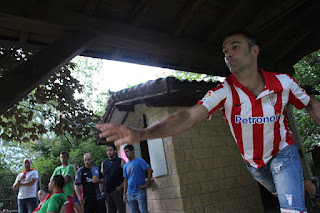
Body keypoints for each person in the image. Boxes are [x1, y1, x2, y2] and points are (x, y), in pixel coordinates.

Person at [96, 32, 320, 212]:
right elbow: (188, 116)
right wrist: (142, 134)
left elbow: (311, 104)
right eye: (225, 51)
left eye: (235, 47)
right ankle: (311, 186)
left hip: (283, 151)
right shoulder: (224, 92)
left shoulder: (283, 82)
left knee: (291, 206)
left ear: (254, 51)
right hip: (254, 164)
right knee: (285, 190)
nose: (228, 54)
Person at [122, 145, 153, 213]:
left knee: (143, 210)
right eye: (125, 152)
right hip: (130, 192)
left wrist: (147, 183)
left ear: (132, 151)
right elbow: (125, 180)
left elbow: (149, 170)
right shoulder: (125, 166)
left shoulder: (139, 161)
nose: (126, 154)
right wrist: (124, 194)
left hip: (140, 191)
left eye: (127, 151)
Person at [101, 143, 126, 213]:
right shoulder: (104, 163)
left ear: (115, 151)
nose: (109, 152)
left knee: (121, 210)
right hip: (107, 191)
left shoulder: (121, 161)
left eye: (110, 150)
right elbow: (102, 177)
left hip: (117, 191)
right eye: (107, 150)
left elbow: (127, 176)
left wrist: (121, 186)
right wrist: (102, 191)